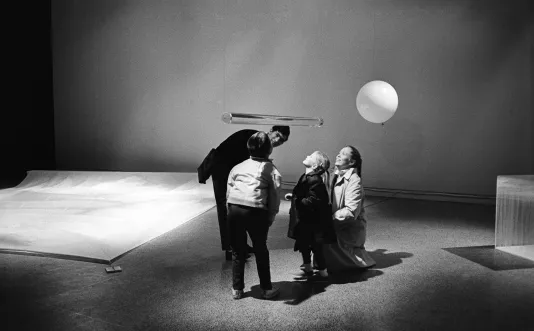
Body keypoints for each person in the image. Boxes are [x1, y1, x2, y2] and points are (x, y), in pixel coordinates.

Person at [197, 126, 290, 260]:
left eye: (281, 141)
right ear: (270, 131)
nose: (277, 141)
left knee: (235, 209)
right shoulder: (257, 139)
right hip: (222, 169)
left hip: (229, 169)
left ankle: (239, 245)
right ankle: (231, 248)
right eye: (277, 136)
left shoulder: (259, 141)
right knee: (225, 208)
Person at [226, 131, 282, 300]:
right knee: (260, 249)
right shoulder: (271, 170)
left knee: (237, 250)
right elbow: (274, 196)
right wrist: (271, 216)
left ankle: (237, 289)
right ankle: (266, 289)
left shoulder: (238, 166)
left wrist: (229, 210)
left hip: (234, 209)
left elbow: (229, 190)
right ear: (269, 150)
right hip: (256, 211)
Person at [323, 145, 376, 272]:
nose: (338, 155)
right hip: (336, 225)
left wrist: (327, 221)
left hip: (346, 230)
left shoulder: (354, 180)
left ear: (352, 162)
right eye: (338, 152)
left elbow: (351, 212)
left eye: (343, 154)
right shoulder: (332, 175)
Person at [287, 151, 336, 281]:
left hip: (311, 221)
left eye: (311, 156)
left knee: (314, 246)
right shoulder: (307, 177)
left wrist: (298, 200)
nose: (307, 156)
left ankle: (322, 270)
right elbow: (304, 193)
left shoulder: (314, 179)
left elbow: (314, 199)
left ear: (315, 165)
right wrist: (295, 197)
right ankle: (308, 267)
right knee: (305, 244)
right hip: (306, 219)